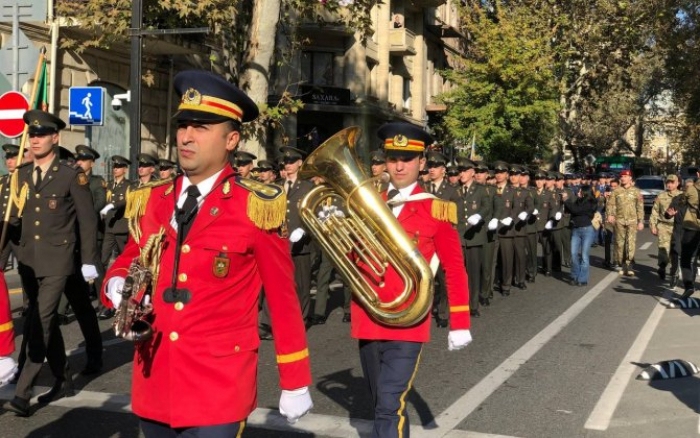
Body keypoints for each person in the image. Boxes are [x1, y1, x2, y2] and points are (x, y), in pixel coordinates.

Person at [101, 70, 313, 434]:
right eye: (184, 125)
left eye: (201, 127)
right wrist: (117, 282)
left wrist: (294, 377)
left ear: (231, 139)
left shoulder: (256, 204)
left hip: (219, 384)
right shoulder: (152, 199)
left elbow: (282, 299)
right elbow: (132, 256)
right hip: (156, 375)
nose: (186, 136)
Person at [351, 122, 471, 438]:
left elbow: (455, 268)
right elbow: (351, 256)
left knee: (389, 403)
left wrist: (459, 321)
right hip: (368, 314)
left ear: (421, 163)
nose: (399, 166)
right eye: (392, 158)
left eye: (407, 159)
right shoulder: (366, 201)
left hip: (408, 319)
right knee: (379, 400)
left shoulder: (436, 208)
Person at [4, 110, 100, 416]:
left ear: (55, 138)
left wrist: (89, 261)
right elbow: (11, 223)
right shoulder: (20, 174)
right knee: (37, 317)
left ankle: (23, 391)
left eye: (41, 135)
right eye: (31, 135)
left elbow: (87, 221)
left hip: (59, 259)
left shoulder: (71, 174)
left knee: (40, 321)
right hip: (29, 260)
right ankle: (62, 376)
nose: (34, 140)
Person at [98, 154, 133, 319]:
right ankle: (105, 302)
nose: (115, 170)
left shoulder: (129, 185)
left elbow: (125, 201)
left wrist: (112, 205)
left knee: (126, 264)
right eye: (114, 167)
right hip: (109, 228)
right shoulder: (109, 184)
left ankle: (126, 296)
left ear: (124, 169)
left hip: (122, 228)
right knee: (102, 261)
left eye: (118, 167)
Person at [455, 157, 490, 317]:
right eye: (460, 171)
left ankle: (473, 305)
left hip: (475, 237)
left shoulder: (482, 189)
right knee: (458, 275)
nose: (461, 173)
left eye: (464, 171)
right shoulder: (454, 189)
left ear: (472, 172)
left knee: (474, 273)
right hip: (458, 236)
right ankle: (459, 304)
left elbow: (486, 206)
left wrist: (479, 216)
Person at [606, 169, 644, 276]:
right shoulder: (616, 191)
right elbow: (610, 204)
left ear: (630, 178)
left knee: (630, 243)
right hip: (619, 220)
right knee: (620, 243)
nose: (623, 178)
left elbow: (640, 207)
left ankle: (629, 265)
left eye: (625, 176)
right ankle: (622, 264)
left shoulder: (636, 192)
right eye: (621, 177)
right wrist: (610, 215)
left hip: (632, 221)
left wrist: (641, 221)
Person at [649, 174, 682, 281]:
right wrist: (653, 225)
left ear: (678, 183)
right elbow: (655, 211)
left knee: (675, 251)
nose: (669, 184)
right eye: (668, 182)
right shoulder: (661, 196)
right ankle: (662, 267)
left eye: (672, 182)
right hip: (663, 226)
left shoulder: (683, 196)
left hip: (678, 227)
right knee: (664, 249)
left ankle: (674, 271)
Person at [564, 185, 598, 286]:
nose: (578, 193)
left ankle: (582, 279)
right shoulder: (578, 201)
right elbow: (572, 210)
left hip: (587, 230)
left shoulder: (590, 203)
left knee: (584, 256)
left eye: (580, 191)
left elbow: (576, 210)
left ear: (585, 193)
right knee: (573, 254)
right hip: (576, 230)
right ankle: (574, 275)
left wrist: (566, 200)